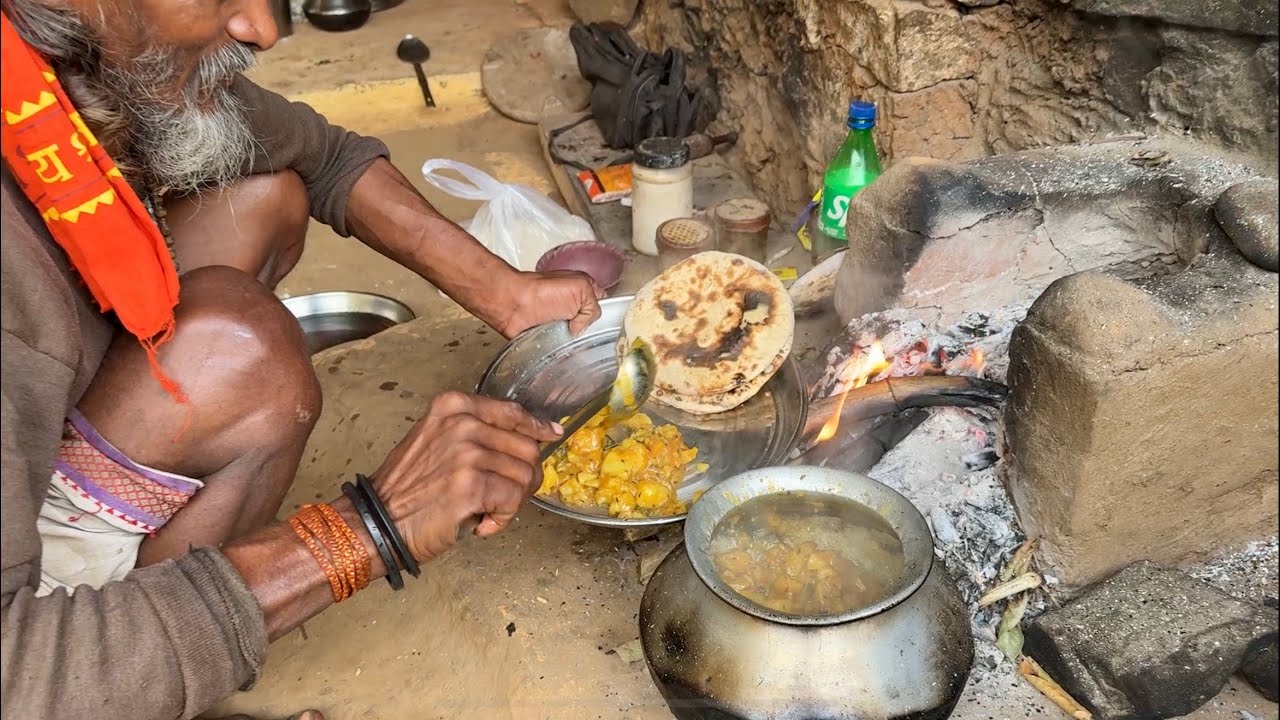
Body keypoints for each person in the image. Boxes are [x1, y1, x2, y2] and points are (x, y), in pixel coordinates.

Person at [0, 0, 605, 716]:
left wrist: (504, 292)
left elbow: (321, 154)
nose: (260, 28)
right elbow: (16, 676)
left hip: (38, 433)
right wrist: (369, 528)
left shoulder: (64, 66)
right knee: (248, 357)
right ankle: (129, 668)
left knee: (263, 195)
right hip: (28, 656)